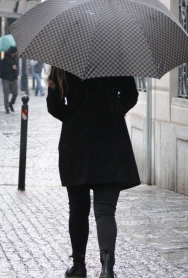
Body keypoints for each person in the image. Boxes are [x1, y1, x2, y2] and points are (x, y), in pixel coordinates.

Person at [46, 67, 140, 278]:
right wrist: (113, 110)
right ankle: (107, 268)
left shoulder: (64, 61)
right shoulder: (113, 58)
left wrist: (73, 117)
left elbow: (53, 105)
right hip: (110, 140)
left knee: (78, 209)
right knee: (105, 210)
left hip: (75, 143)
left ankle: (79, 266)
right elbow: (131, 95)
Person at [0, 47, 19, 113]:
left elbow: (16, 68)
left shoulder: (15, 58)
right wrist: (11, 68)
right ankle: (7, 108)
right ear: (13, 52)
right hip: (6, 78)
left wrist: (15, 69)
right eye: (16, 52)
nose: (17, 53)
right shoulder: (5, 59)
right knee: (6, 93)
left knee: (15, 93)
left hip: (13, 78)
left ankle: (11, 103)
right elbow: (4, 70)